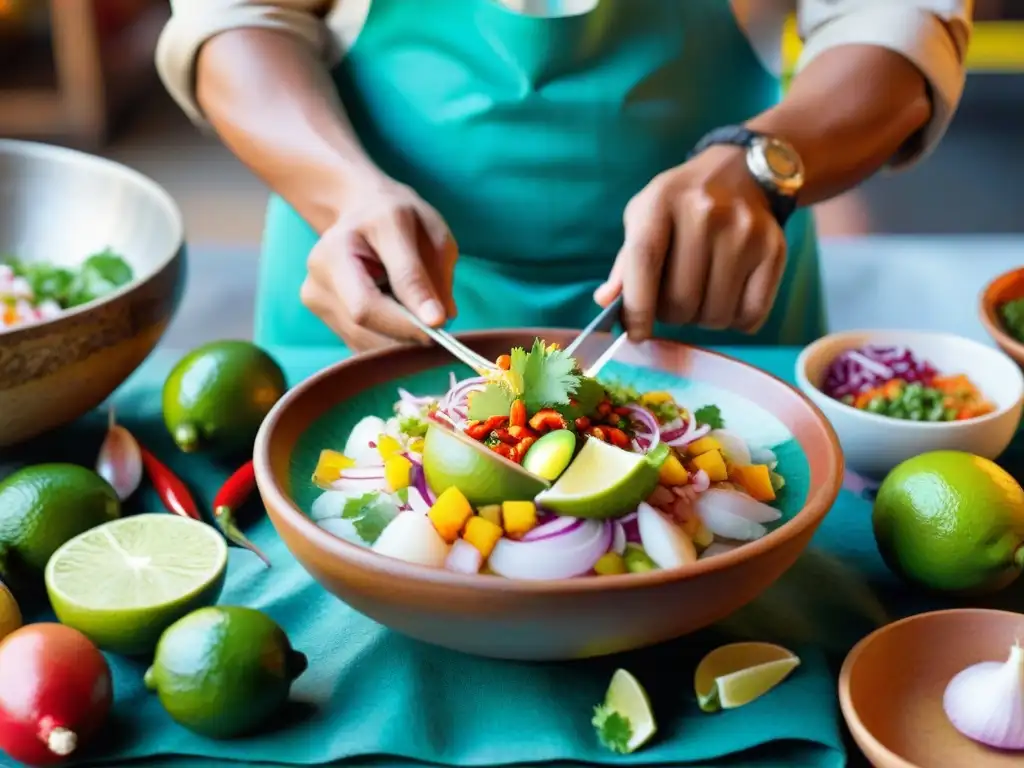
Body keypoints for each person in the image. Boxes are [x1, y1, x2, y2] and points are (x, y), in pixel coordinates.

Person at [157, 0, 972, 353]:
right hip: (363, 297)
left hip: (714, 298)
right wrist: (345, 192)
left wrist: (761, 163)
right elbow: (233, 21)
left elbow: (893, 21)